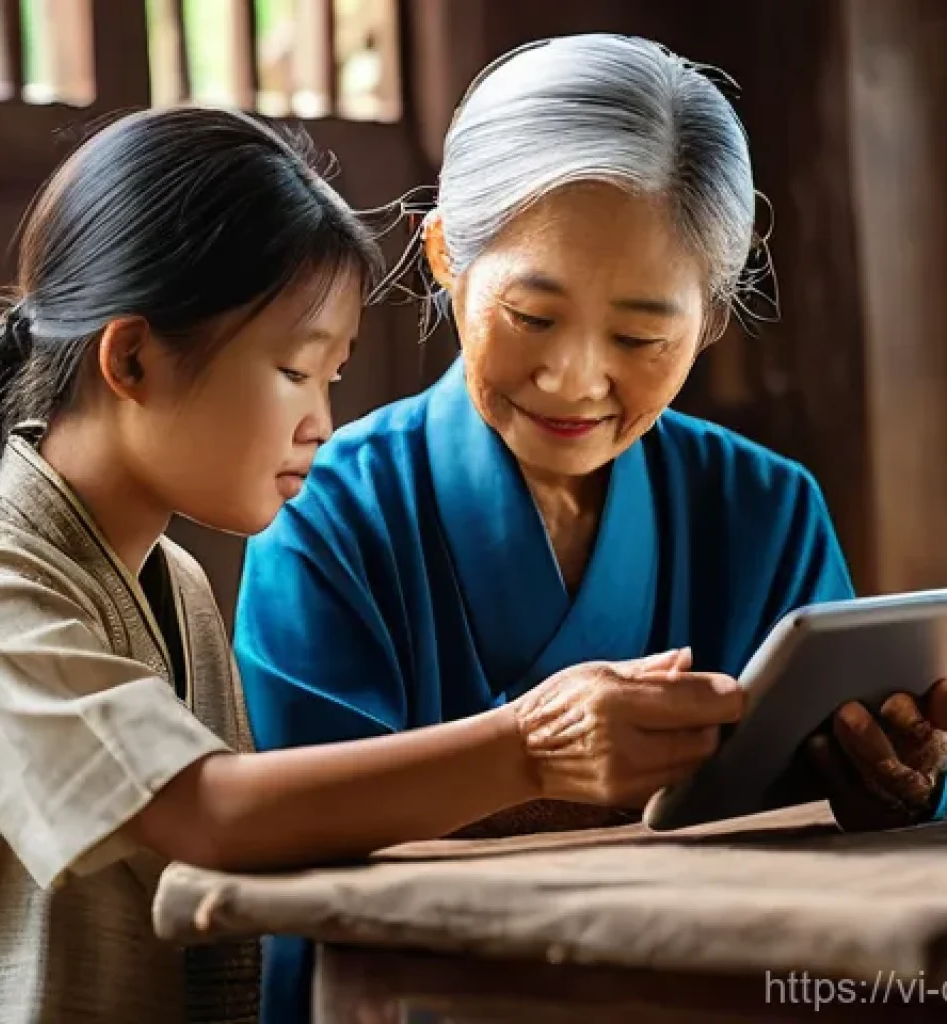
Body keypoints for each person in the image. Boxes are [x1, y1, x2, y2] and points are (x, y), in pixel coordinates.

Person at [0, 107, 747, 1024]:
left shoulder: (174, 582)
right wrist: (534, 746)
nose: (321, 421)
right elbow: (209, 815)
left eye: (333, 379)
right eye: (295, 372)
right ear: (134, 358)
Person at [233, 34, 947, 1021]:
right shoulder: (327, 506)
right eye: (533, 317)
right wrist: (549, 766)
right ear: (445, 258)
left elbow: (830, 806)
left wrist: (887, 784)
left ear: (710, 317)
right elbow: (293, 824)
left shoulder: (765, 507)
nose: (573, 380)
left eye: (641, 335)